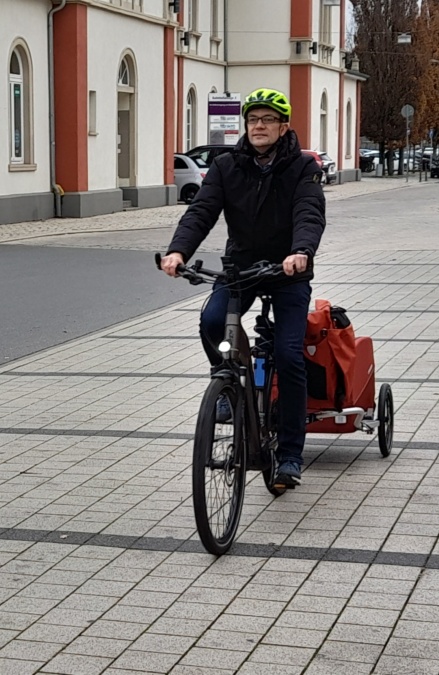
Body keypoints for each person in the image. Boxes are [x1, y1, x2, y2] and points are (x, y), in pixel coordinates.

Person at [159, 88, 326, 487]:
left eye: (268, 119)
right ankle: (228, 382)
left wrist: (301, 250)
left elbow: (309, 211)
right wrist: (178, 251)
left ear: (284, 127)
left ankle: (289, 454)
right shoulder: (227, 165)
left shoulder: (302, 167)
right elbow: (202, 210)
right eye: (253, 120)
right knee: (212, 321)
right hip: (242, 268)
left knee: (288, 355)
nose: (259, 126)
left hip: (288, 272)